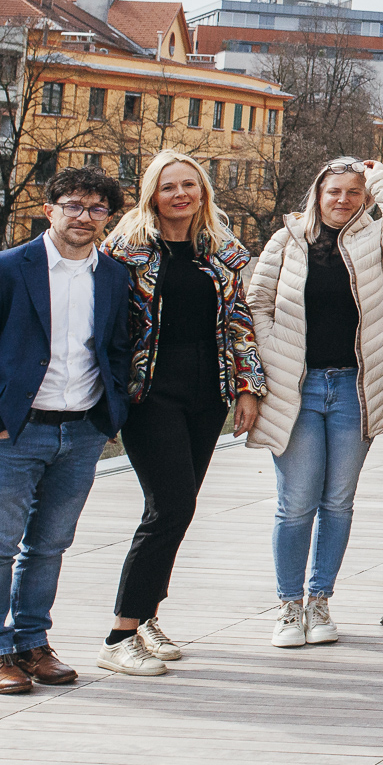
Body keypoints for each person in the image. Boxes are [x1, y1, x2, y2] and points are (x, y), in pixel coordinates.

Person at [0, 167, 131, 694]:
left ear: (107, 218)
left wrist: (109, 416)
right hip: (15, 432)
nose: (84, 217)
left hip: (80, 434)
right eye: (73, 205)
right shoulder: (3, 269)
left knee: (50, 545)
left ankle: (32, 643)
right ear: (49, 209)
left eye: (96, 209)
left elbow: (116, 349)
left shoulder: (114, 276)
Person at [97, 153, 264, 677]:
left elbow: (239, 323)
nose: (180, 194)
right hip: (150, 393)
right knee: (168, 506)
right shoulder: (124, 253)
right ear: (152, 194)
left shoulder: (221, 251)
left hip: (206, 393)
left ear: (202, 191)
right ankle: (119, 634)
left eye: (189, 185)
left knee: (181, 506)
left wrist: (247, 387)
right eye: (168, 186)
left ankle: (146, 617)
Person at [248, 157, 383, 649]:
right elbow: (258, 301)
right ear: (317, 195)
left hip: (354, 388)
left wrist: (380, 174)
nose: (342, 199)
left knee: (338, 502)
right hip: (296, 389)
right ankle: (288, 606)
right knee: (296, 503)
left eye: (353, 192)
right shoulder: (286, 241)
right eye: (334, 191)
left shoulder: (373, 242)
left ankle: (320, 600)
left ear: (364, 198)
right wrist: (272, 352)